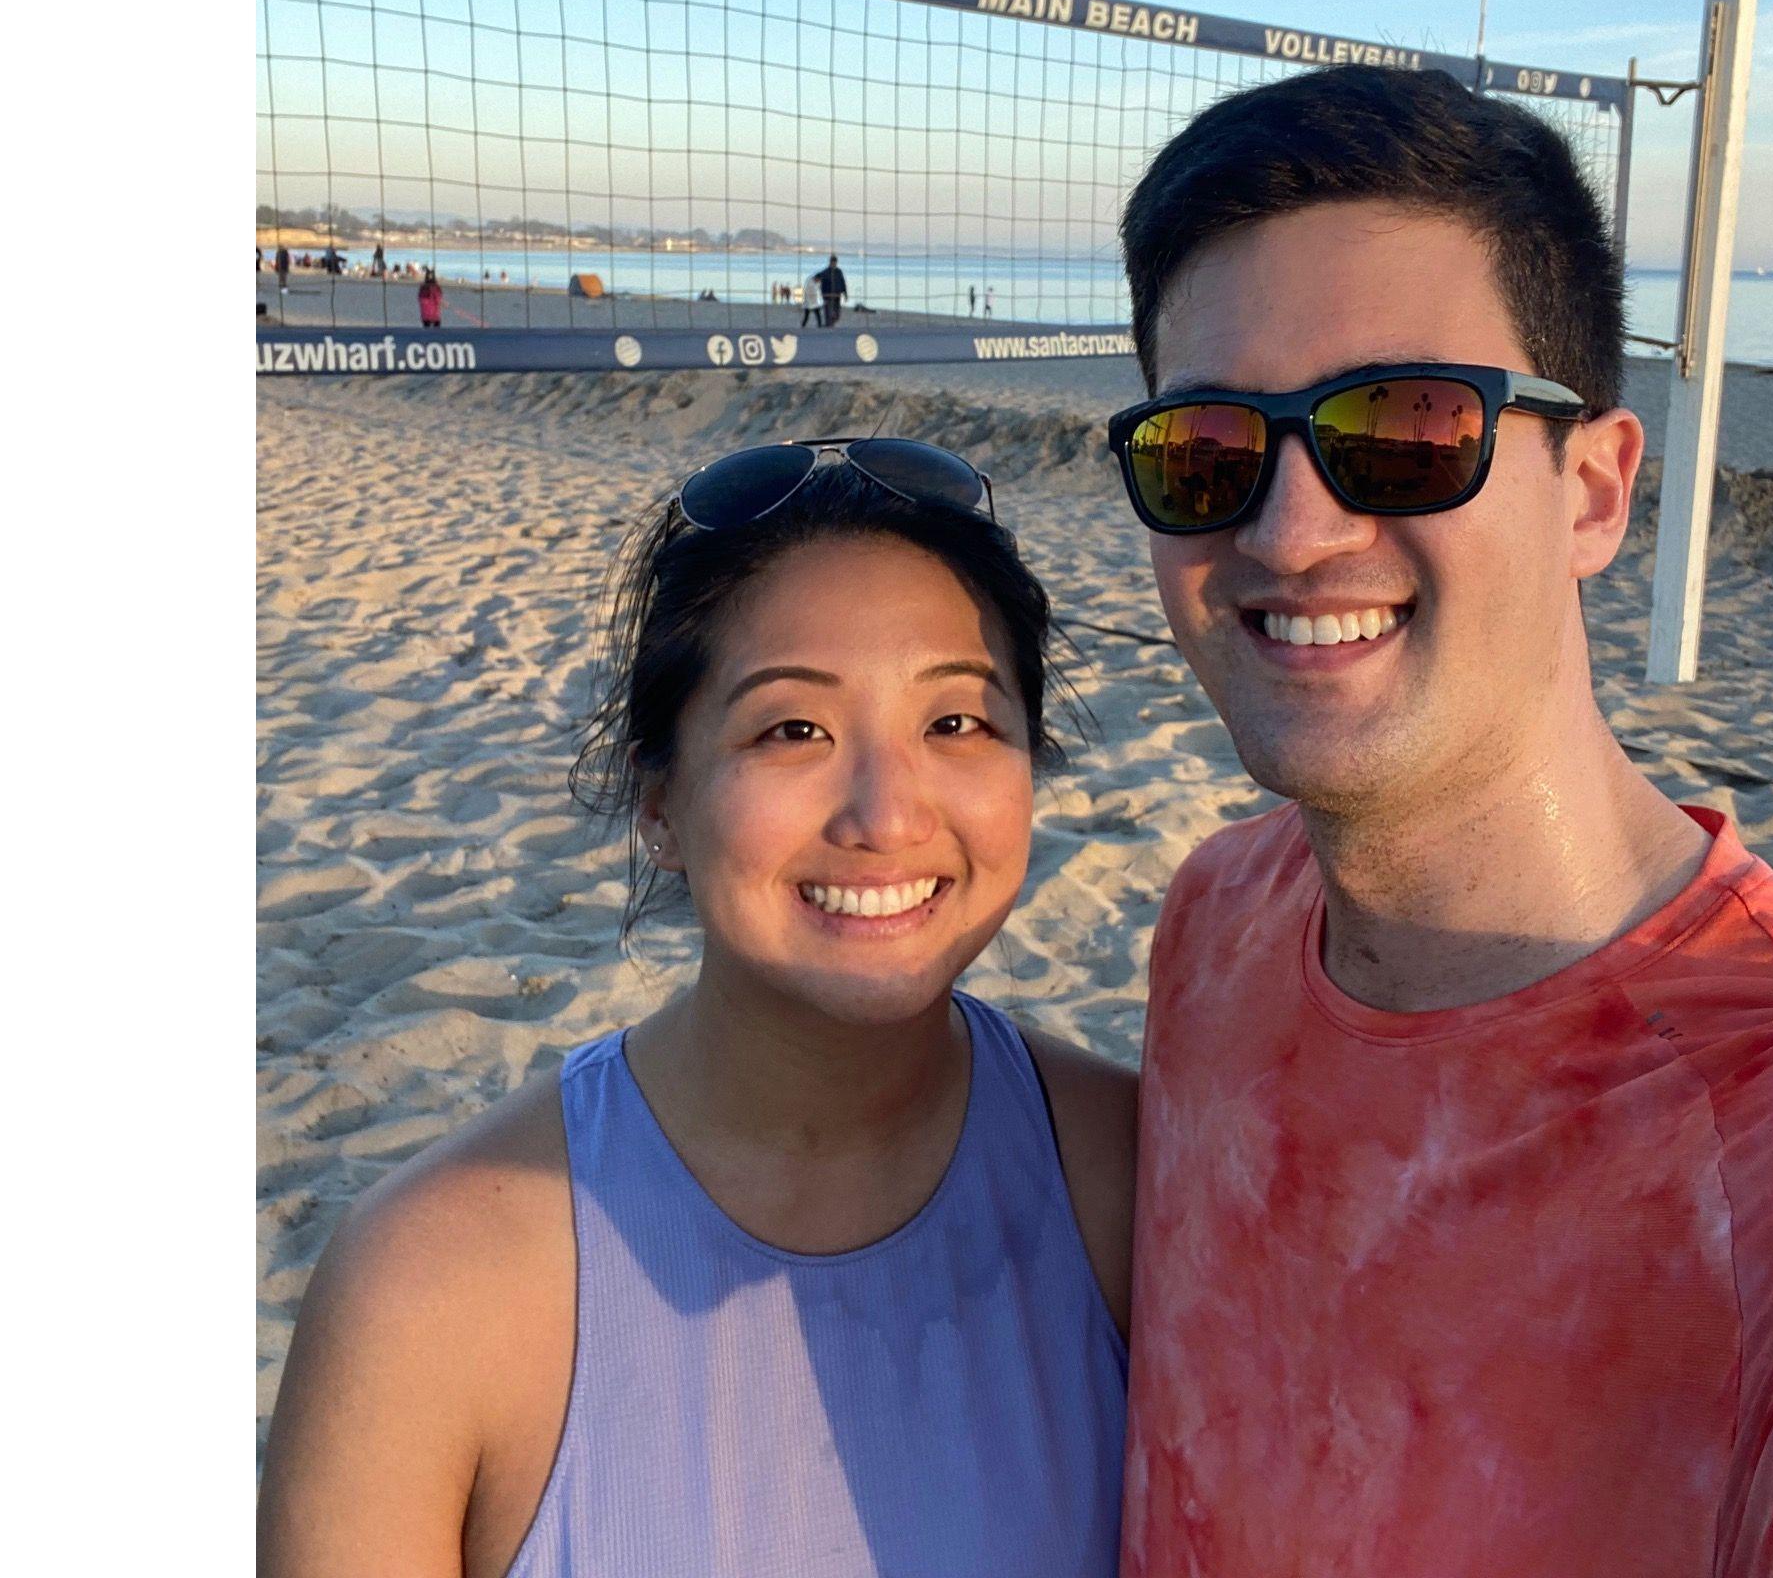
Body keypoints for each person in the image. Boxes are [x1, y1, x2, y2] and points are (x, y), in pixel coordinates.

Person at [1106, 65, 1773, 1577]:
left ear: (1597, 492)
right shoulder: (1215, 917)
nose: (1287, 531)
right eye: (1207, 449)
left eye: (1409, 429)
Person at [257, 442, 1134, 1576]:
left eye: (956, 722)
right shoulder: (425, 1293)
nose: (886, 813)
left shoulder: (1138, 1180)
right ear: (660, 803)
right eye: (791, 729)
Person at [819, 253, 848, 327]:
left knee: (837, 314)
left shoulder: (839, 272)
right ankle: (828, 325)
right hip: (827, 296)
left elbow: (843, 282)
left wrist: (845, 294)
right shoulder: (825, 272)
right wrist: (823, 295)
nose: (834, 263)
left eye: (835, 262)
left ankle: (830, 323)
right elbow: (820, 282)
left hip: (837, 296)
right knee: (828, 313)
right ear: (830, 262)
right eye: (832, 262)